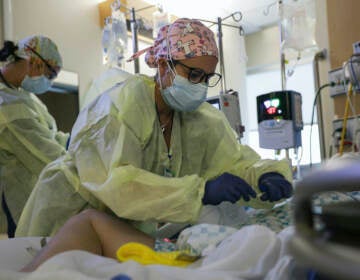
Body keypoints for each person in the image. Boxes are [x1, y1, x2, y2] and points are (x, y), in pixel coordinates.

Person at [16, 18, 293, 239]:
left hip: (121, 231)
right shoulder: (119, 105)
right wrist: (199, 191)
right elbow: (119, 186)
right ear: (163, 65)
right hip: (70, 217)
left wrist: (264, 174)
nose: (200, 85)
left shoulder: (199, 118)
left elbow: (234, 160)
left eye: (208, 77)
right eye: (193, 74)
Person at [0, 35, 68, 237]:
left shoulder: (24, 97)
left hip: (38, 197)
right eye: (51, 75)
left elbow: (52, 137)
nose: (49, 82)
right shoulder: (7, 106)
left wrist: (78, 140)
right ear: (36, 63)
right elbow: (47, 155)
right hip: (21, 202)